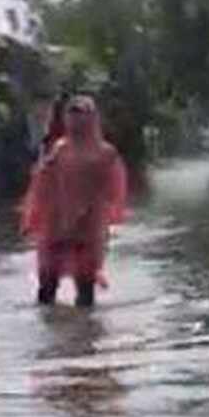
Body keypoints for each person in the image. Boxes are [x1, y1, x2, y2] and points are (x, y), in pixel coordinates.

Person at [20, 94, 128, 308]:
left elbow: (115, 189)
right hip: (56, 224)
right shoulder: (59, 149)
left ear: (93, 118)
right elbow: (41, 185)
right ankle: (48, 332)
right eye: (72, 115)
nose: (76, 121)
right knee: (47, 285)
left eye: (82, 115)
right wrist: (33, 217)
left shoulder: (106, 153)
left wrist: (104, 214)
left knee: (85, 285)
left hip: (89, 226)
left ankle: (85, 332)